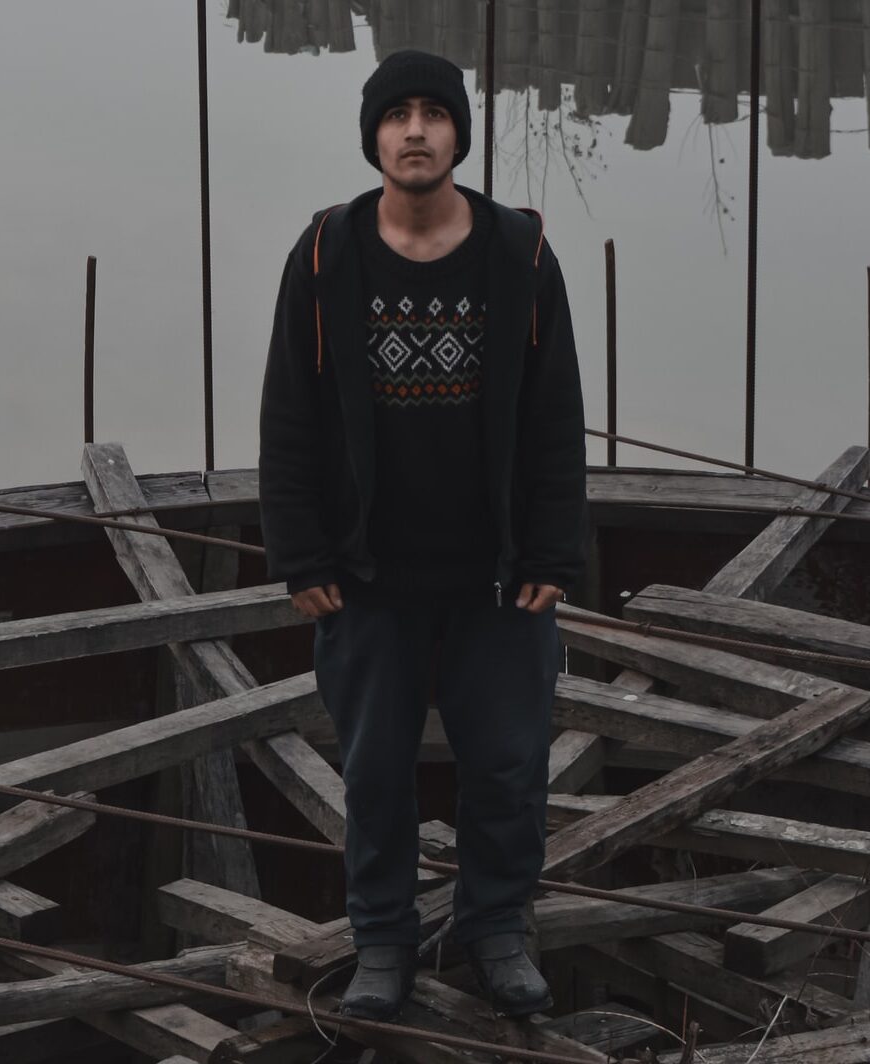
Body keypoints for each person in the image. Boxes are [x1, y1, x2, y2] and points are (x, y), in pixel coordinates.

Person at [257, 50, 587, 1020]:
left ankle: (494, 929)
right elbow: (288, 417)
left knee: (507, 767)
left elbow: (555, 415)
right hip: (367, 580)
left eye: (432, 115)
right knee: (375, 772)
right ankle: (382, 942)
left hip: (496, 581)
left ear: (458, 134)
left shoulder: (519, 254)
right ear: (372, 137)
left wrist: (553, 552)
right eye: (395, 115)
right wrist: (301, 556)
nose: (413, 131)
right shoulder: (325, 254)